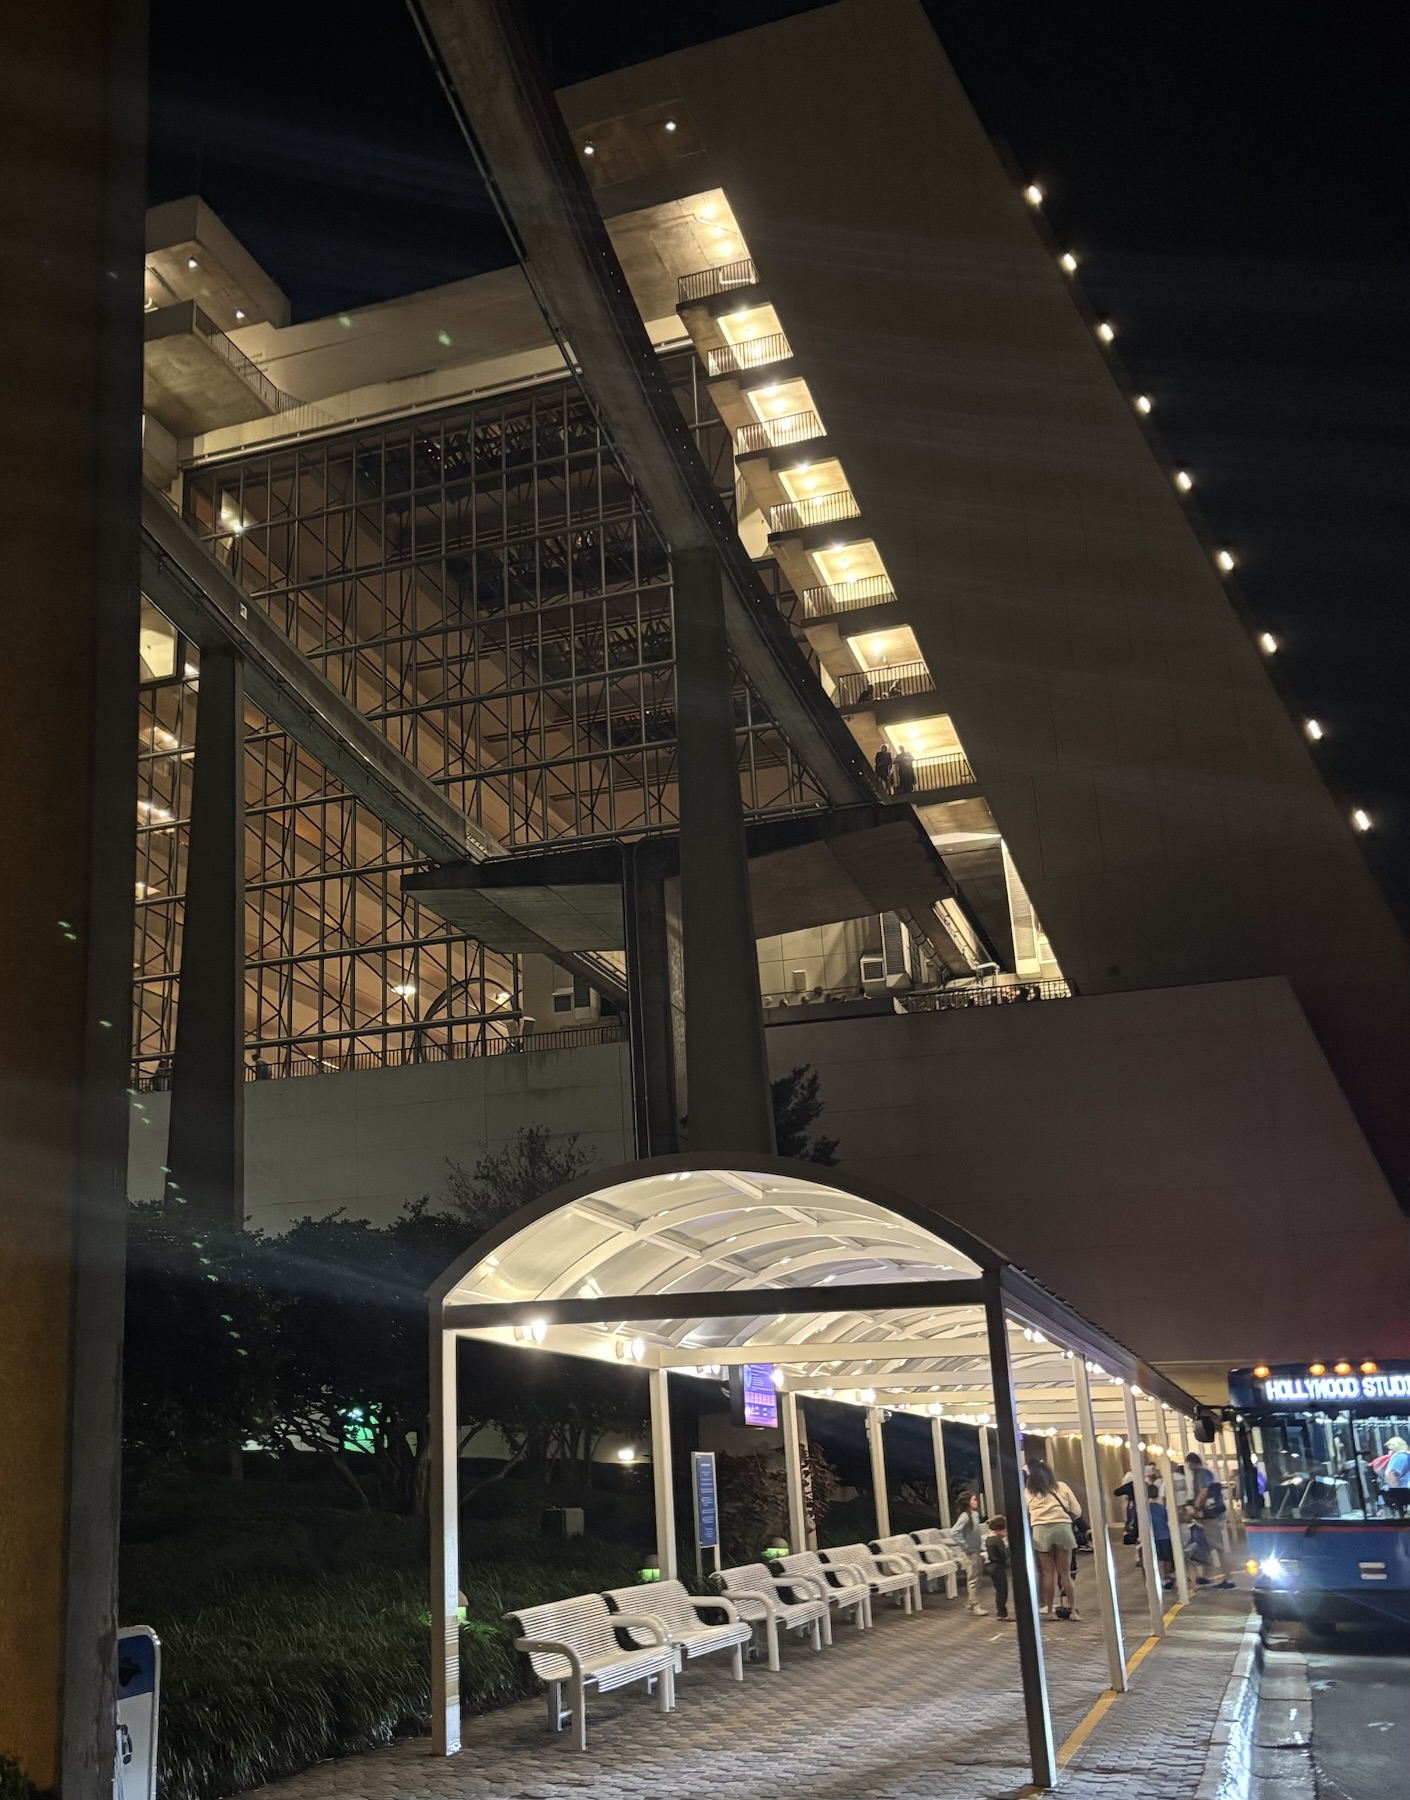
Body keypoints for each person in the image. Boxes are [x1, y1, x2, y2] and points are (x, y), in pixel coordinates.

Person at [1025, 1458, 1082, 1619]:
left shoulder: (1029, 1490)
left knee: (1047, 1572)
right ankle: (1073, 1610)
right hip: (1062, 1528)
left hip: (1040, 1530)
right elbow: (1077, 1510)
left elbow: (1027, 1509)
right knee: (1065, 1573)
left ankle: (1049, 1611)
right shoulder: (1061, 1487)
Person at [1185, 1453, 1236, 1588]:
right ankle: (1206, 1575)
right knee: (1207, 1546)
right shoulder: (1206, 1473)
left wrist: (1195, 1507)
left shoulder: (1201, 1474)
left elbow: (1203, 1491)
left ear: (1192, 1463)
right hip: (1212, 1515)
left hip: (1210, 1517)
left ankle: (1228, 1578)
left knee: (1218, 1547)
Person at [952, 1488, 989, 1616]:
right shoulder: (965, 1516)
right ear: (968, 1502)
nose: (976, 1501)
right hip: (969, 1552)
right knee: (973, 1579)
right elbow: (955, 1532)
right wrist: (965, 1546)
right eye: (974, 1499)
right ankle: (975, 1605)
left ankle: (970, 1602)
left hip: (976, 1549)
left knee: (976, 1577)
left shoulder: (975, 1514)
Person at [1147, 1483, 1175, 1589]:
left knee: (1159, 1559)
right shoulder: (1162, 1508)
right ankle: (1168, 1577)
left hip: (1153, 1537)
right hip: (1164, 1536)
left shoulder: (1146, 1510)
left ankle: (1161, 1578)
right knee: (1167, 1558)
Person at [984, 1513, 1011, 1620]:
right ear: (999, 1529)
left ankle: (1001, 1612)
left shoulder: (989, 1539)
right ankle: (1002, 1613)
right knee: (1002, 1591)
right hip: (998, 1567)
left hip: (992, 1567)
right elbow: (1004, 1554)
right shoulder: (997, 1540)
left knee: (998, 1590)